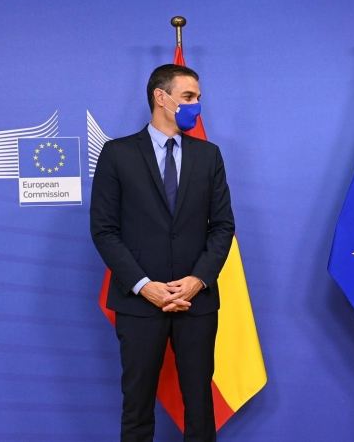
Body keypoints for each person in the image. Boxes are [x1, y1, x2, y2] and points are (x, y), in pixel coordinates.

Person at [90, 64, 235, 442]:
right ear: (161, 97)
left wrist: (197, 280)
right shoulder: (117, 154)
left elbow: (223, 226)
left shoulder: (209, 155)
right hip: (139, 305)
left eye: (198, 99)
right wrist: (144, 286)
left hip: (196, 304)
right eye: (188, 98)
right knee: (136, 408)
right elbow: (104, 230)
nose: (196, 106)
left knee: (201, 410)